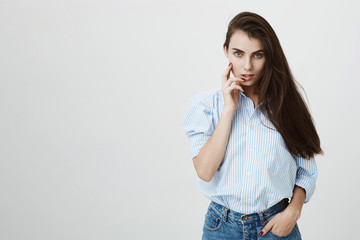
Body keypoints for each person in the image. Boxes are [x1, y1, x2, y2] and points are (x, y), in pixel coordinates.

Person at [182, 11, 323, 240]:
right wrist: (229, 110)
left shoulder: (287, 105)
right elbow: (205, 171)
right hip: (222, 228)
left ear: (269, 56)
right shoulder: (206, 106)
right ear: (226, 50)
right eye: (238, 53)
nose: (247, 66)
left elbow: (306, 171)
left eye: (257, 55)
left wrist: (294, 211)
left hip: (276, 226)